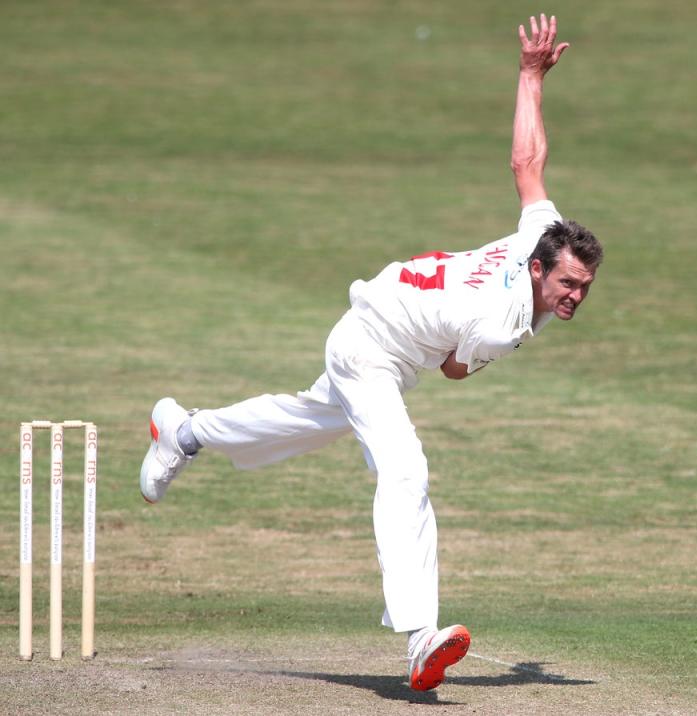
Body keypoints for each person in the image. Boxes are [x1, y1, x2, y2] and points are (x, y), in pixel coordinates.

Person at [139, 14, 602, 692]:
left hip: (380, 333)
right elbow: (451, 368)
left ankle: (182, 430)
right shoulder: (502, 324)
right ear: (538, 271)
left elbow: (526, 164)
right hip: (371, 350)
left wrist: (530, 76)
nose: (574, 297)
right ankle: (421, 637)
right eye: (566, 284)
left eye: (584, 288)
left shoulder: (537, 233)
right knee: (406, 471)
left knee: (305, 418)